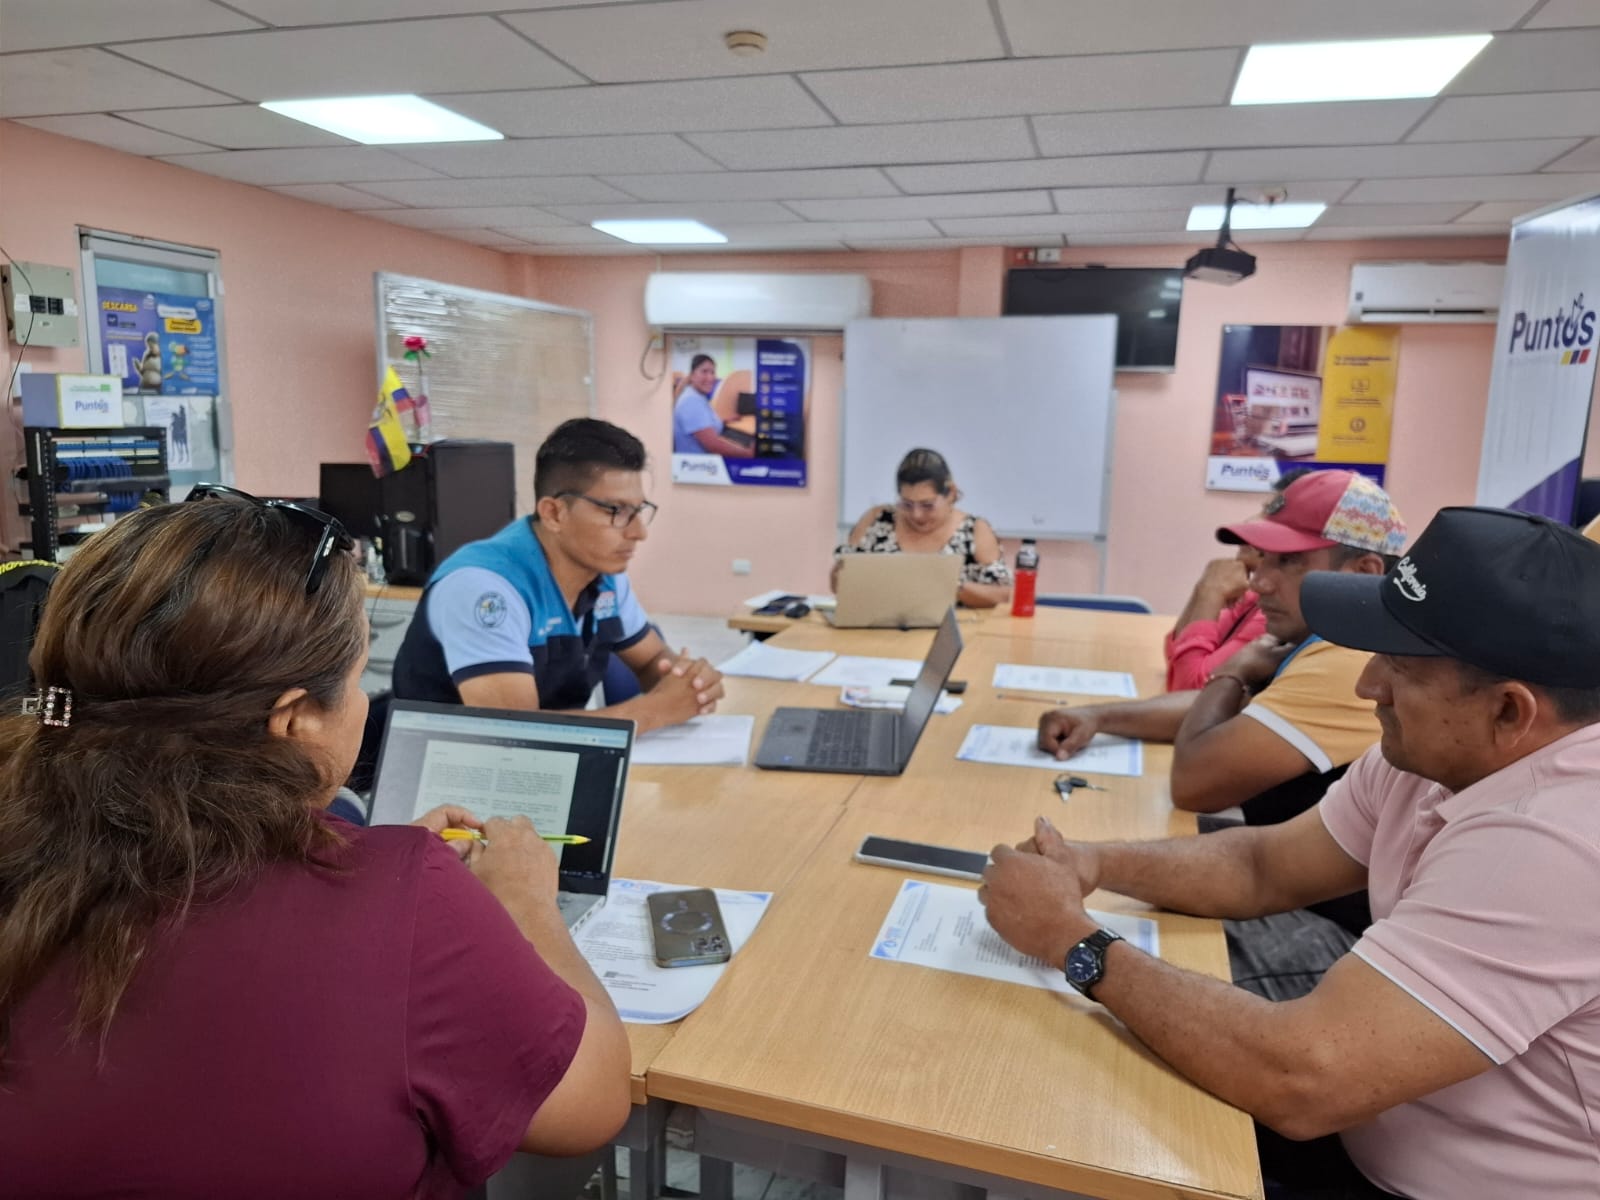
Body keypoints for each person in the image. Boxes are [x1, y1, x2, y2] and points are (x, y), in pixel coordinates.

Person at [0, 490, 631, 1197]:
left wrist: (374, 864)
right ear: (295, 719)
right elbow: (592, 1101)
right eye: (360, 678)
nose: (363, 703)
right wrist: (525, 905)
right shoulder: (412, 906)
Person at [981, 507, 1600, 1200]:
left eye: (1398, 667)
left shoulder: (1559, 841)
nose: (1367, 686)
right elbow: (1262, 867)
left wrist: (1072, 940)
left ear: (1509, 712)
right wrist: (1092, 864)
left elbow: (1303, 1079)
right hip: (1367, 1128)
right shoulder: (1436, 753)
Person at [1040, 470, 1404, 825]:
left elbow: (1192, 783)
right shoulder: (1332, 637)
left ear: (1364, 572)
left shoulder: (1349, 659)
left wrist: (1234, 670)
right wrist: (1098, 717)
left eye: (1289, 561)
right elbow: (1241, 714)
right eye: (1264, 558)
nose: (1259, 582)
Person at [392, 418, 723, 734]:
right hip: (449, 768)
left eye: (638, 510)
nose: (639, 532)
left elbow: (652, 660)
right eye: (617, 511)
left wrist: (690, 682)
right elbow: (512, 731)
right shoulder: (483, 589)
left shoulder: (604, 574)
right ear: (553, 513)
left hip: (547, 766)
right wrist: (655, 711)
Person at [1165, 468, 1314, 692]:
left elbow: (1189, 688)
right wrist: (1203, 588)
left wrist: (1211, 593)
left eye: (1270, 515)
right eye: (1263, 510)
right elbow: (1175, 656)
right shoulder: (1254, 595)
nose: (1251, 522)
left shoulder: (1278, 611)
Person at [835, 448, 1012, 609]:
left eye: (927, 505)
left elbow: (1003, 594)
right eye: (907, 504)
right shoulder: (877, 520)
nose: (917, 515)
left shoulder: (974, 530)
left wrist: (950, 586)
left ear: (950, 493)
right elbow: (837, 583)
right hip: (878, 626)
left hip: (953, 630)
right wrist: (848, 575)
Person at [673, 353, 752, 457]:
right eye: (704, 371)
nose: (710, 378)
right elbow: (714, 446)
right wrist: (748, 453)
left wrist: (723, 421)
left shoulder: (696, 395)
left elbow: (702, 423)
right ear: (692, 375)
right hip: (699, 463)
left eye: (712, 372)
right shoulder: (691, 401)